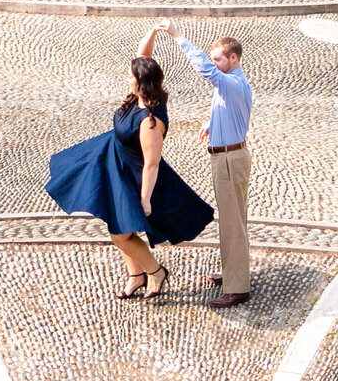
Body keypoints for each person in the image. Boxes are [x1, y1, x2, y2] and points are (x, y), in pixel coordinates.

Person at [45, 50, 215, 300]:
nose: (127, 80)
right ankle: (135, 275)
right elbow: (142, 55)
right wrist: (154, 31)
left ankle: (155, 272)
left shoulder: (150, 120)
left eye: (130, 77)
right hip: (114, 168)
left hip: (136, 180)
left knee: (120, 234)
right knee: (116, 224)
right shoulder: (139, 97)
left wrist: (145, 199)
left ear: (142, 81)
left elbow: (152, 163)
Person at [141, 21, 252, 307]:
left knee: (232, 223)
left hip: (229, 158)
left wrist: (178, 36)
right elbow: (228, 110)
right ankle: (232, 275)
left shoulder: (232, 82)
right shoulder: (231, 86)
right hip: (227, 155)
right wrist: (210, 123)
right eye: (214, 59)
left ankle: (238, 288)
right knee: (230, 221)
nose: (214, 64)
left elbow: (206, 71)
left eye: (218, 59)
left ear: (233, 58)